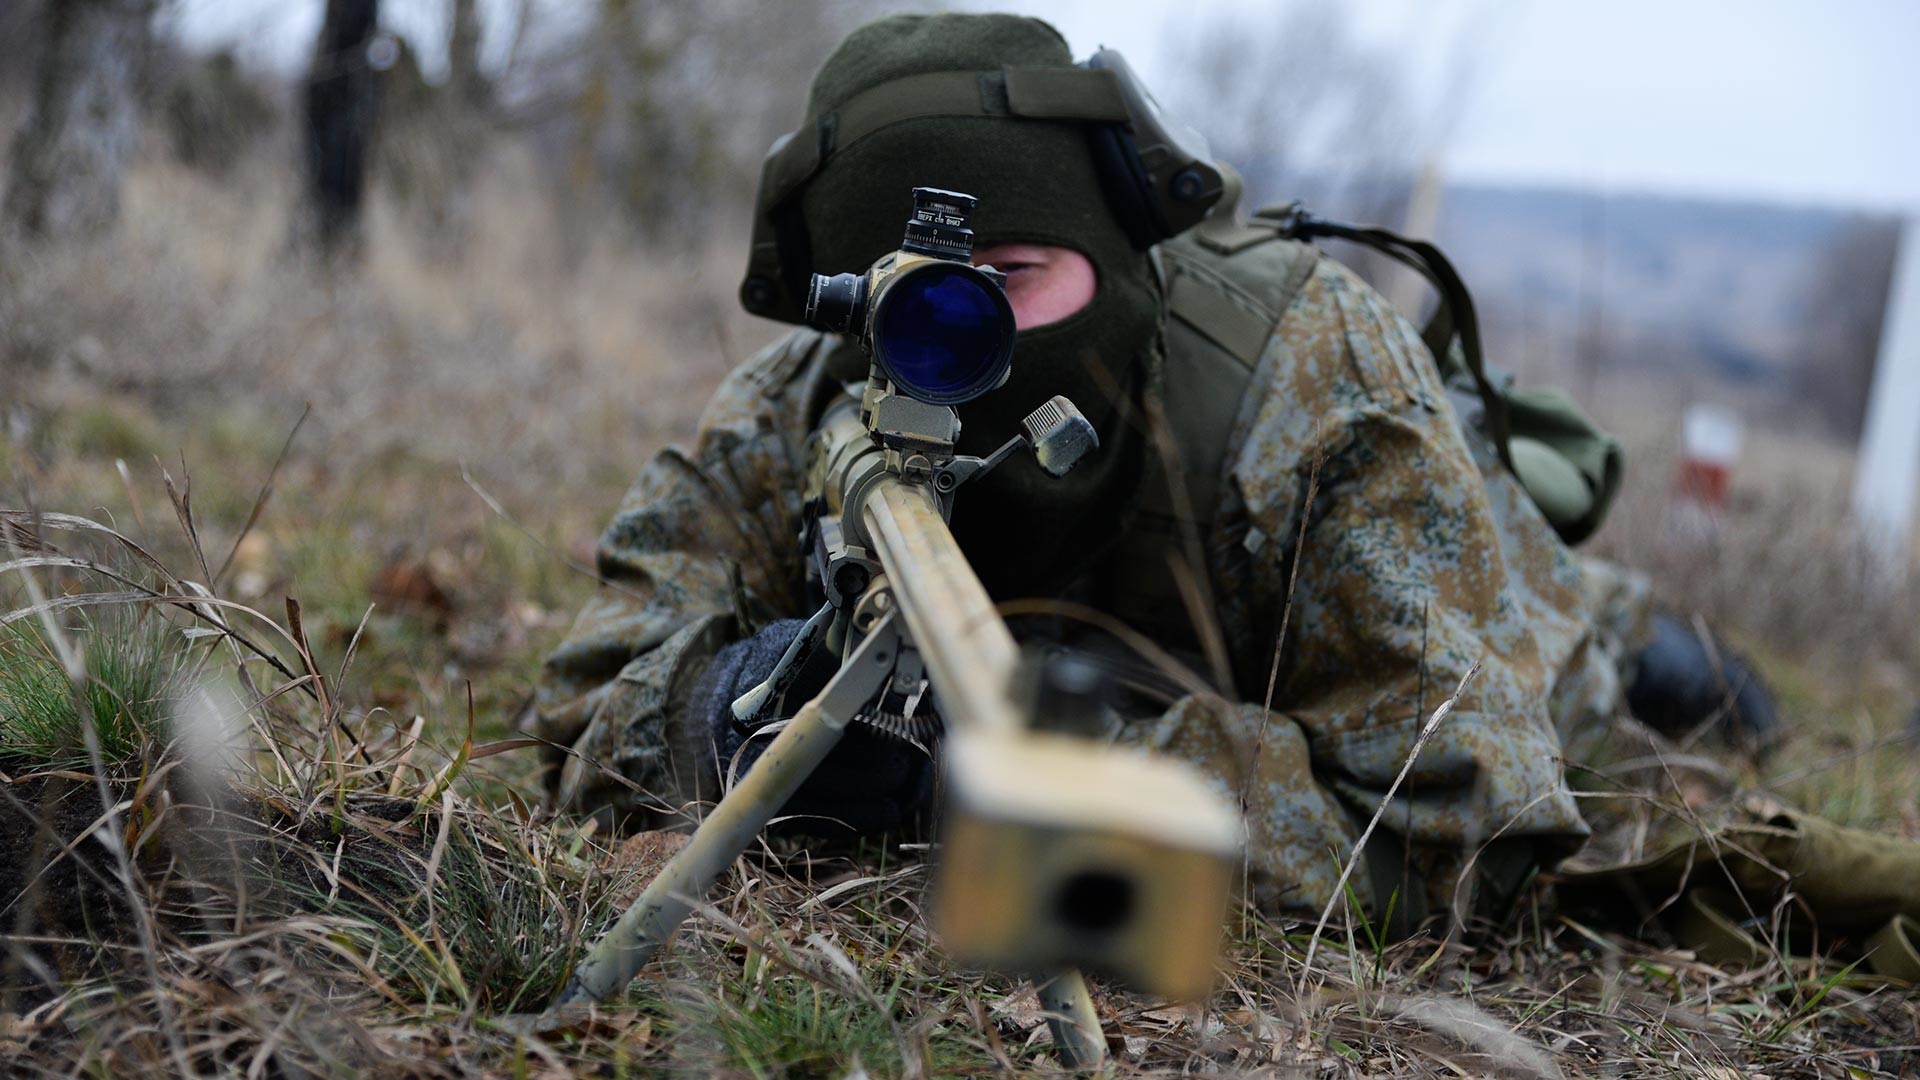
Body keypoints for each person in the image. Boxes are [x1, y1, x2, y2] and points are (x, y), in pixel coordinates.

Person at [529, 12, 1768, 928]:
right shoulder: (805, 405)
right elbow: (588, 691)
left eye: (1012, 277)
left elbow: (1463, 824)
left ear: (1113, 248)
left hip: (1469, 607)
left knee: (1581, 647)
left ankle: (1656, 637)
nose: (965, 342)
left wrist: (1041, 772)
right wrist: (731, 711)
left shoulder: (1314, 378)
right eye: (912, 299)